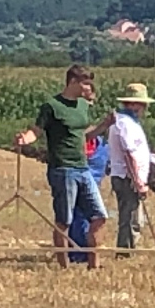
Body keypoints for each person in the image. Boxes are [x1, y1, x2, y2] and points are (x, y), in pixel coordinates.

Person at [14, 64, 114, 270]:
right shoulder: (51, 106)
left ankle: (94, 266)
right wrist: (25, 139)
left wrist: (104, 125)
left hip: (83, 168)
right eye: (85, 83)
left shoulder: (83, 106)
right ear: (73, 82)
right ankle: (64, 266)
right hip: (63, 169)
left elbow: (84, 134)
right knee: (64, 220)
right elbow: (37, 131)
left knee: (99, 216)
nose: (89, 88)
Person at [107, 83, 155, 258]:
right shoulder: (125, 123)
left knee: (135, 217)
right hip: (127, 177)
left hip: (129, 177)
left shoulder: (128, 122)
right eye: (142, 104)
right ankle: (125, 252)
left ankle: (128, 250)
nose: (145, 108)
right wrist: (137, 181)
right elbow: (128, 154)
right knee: (130, 218)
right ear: (133, 104)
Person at [68, 135, 110, 264]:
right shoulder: (93, 141)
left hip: (91, 183)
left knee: (90, 218)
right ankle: (79, 253)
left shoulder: (103, 143)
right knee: (80, 218)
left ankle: (83, 252)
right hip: (81, 181)